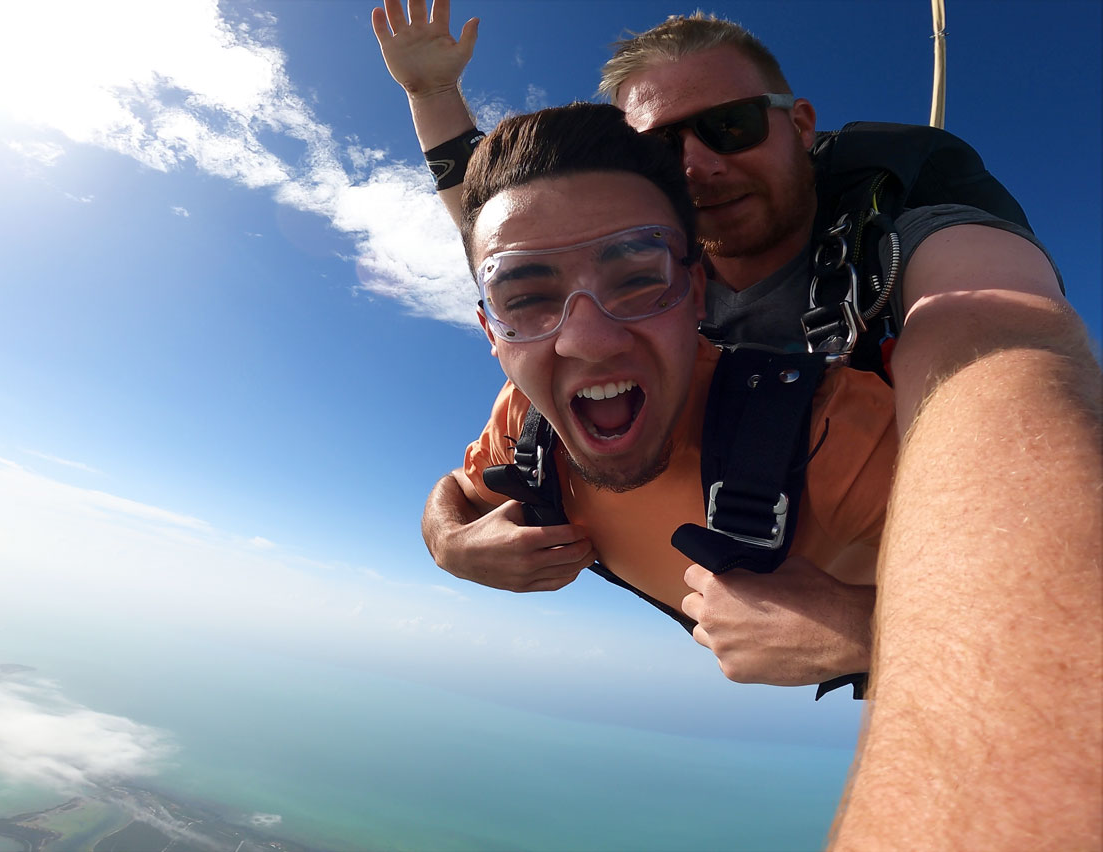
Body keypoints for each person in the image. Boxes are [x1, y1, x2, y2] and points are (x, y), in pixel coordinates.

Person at [374, 4, 1103, 849]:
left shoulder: (909, 233)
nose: (696, 166)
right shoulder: (626, 284)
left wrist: (864, 630)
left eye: (728, 126)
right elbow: (509, 235)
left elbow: (996, 339)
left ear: (798, 125)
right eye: (659, 150)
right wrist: (447, 540)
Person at [456, 102, 892, 686]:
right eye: (527, 298)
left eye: (638, 280)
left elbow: (1052, 606)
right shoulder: (524, 418)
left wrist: (864, 631)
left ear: (695, 294)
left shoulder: (832, 433)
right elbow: (458, 490)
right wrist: (450, 546)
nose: (589, 343)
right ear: (494, 333)